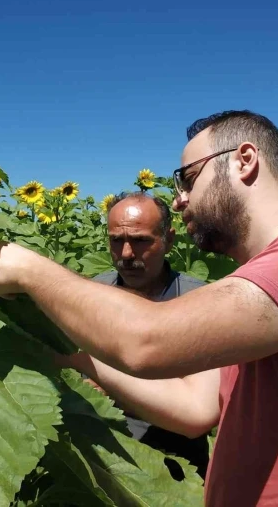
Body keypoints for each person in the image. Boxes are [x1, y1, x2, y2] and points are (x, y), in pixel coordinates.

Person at [0, 110, 278, 506]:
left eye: (187, 177)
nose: (181, 198)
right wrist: (63, 354)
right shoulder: (259, 286)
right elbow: (195, 409)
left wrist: (30, 269)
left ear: (245, 160)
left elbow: (146, 340)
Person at [87, 190, 211, 478]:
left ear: (169, 240)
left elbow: (201, 406)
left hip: (178, 465)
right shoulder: (92, 296)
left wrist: (111, 387)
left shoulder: (201, 302)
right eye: (116, 241)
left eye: (141, 241)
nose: (127, 255)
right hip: (101, 459)